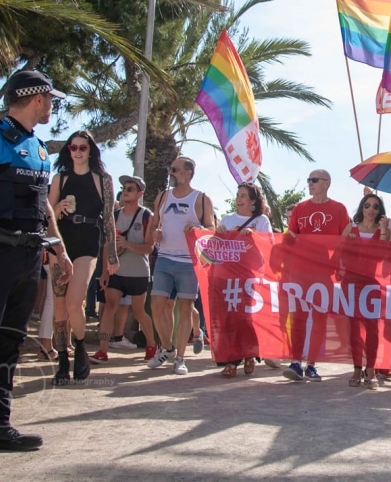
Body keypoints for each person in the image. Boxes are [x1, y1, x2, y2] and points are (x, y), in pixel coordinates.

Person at [0, 70, 73, 451]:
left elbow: (43, 206)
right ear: (37, 98)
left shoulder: (39, 148)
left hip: (29, 257)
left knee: (9, 342)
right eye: (50, 99)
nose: (52, 106)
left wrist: (60, 249)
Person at [48, 129, 118, 385]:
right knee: (59, 307)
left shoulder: (103, 179)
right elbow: (48, 217)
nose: (77, 152)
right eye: (73, 147)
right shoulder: (60, 178)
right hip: (60, 242)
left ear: (91, 150)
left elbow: (108, 218)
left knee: (75, 301)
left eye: (82, 147)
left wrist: (111, 254)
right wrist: (58, 208)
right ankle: (62, 361)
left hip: (88, 239)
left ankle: (79, 347)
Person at [147, 156, 215, 376]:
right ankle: (167, 348)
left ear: (188, 173)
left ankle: (180, 358)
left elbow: (211, 228)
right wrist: (155, 234)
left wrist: (196, 228)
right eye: (170, 168)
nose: (171, 173)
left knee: (185, 308)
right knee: (157, 304)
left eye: (175, 169)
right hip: (164, 258)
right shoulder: (163, 196)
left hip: (188, 261)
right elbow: (154, 225)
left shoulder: (201, 198)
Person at [282, 169, 350, 382]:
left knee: (319, 319)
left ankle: (311, 364)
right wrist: (289, 238)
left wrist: (335, 263)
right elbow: (291, 237)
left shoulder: (339, 209)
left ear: (327, 183)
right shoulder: (300, 208)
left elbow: (345, 240)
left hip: (324, 272)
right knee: (299, 317)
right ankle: (295, 362)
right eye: (308, 180)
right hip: (300, 271)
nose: (310, 183)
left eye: (314, 180)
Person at [89, 176, 156, 365]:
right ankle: (102, 350)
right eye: (124, 188)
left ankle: (152, 346)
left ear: (139, 193)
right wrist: (104, 271)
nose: (125, 191)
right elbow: (107, 244)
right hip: (116, 271)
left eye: (130, 189)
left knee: (139, 311)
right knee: (110, 308)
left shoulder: (147, 216)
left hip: (138, 272)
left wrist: (127, 244)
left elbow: (149, 248)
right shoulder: (115, 216)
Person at [214, 182, 273, 378]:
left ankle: (248, 354)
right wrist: (218, 234)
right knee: (228, 318)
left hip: (248, 276)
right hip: (227, 276)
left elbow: (270, 245)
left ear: (253, 201)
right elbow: (214, 246)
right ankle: (233, 359)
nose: (238, 199)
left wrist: (255, 236)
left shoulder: (261, 220)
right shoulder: (227, 219)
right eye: (237, 195)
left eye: (243, 196)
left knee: (246, 318)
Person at [339, 193, 390, 388]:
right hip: (351, 283)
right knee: (354, 328)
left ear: (380, 211)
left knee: (372, 328)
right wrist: (348, 244)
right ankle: (356, 369)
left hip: (373, 284)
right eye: (367, 205)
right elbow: (339, 256)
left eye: (375, 206)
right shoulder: (350, 228)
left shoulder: (383, 230)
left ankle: (371, 369)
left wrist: (384, 230)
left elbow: (383, 256)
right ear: (361, 207)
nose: (371, 209)